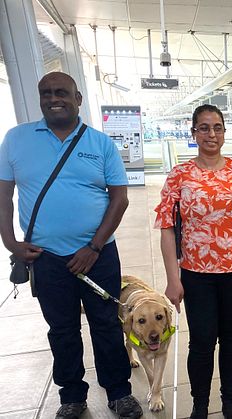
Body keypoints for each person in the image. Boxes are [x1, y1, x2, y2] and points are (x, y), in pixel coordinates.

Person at [0, 72, 142, 419]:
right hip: (45, 257)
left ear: (78, 98)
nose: (53, 98)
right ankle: (72, 396)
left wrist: (93, 247)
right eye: (46, 93)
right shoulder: (16, 139)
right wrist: (11, 242)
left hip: (99, 255)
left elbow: (119, 199)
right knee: (62, 329)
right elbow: (3, 196)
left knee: (106, 324)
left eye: (61, 92)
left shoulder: (99, 143)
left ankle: (120, 392)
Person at [154, 104, 232, 419]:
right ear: (193, 133)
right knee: (202, 341)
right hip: (196, 272)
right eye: (203, 128)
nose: (211, 134)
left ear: (224, 132)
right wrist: (172, 279)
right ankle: (200, 404)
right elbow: (167, 227)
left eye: (217, 127)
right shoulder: (180, 175)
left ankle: (229, 399)